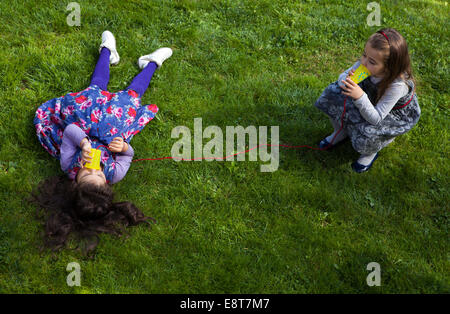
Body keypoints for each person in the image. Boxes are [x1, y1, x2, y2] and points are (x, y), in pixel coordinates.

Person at [31, 31, 172, 254]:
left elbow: (69, 131)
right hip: (114, 126)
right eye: (99, 175)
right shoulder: (115, 173)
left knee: (93, 93)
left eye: (87, 173)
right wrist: (124, 147)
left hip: (85, 122)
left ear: (74, 182)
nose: (93, 168)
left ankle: (107, 52)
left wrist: (85, 145)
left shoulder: (68, 164)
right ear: (107, 184)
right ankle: (152, 63)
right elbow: (128, 156)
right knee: (130, 99)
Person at [314, 28, 420, 173]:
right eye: (364, 55)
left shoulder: (397, 85)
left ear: (389, 68)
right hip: (368, 97)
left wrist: (359, 96)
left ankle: (370, 152)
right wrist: (345, 80)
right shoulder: (367, 62)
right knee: (332, 93)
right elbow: (343, 76)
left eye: (371, 61)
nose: (363, 62)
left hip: (387, 115)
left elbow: (376, 118)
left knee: (368, 133)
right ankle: (340, 131)